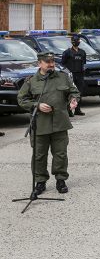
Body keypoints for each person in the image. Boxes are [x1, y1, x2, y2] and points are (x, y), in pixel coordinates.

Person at [17, 52, 80, 195]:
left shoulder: (63, 77)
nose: (51, 64)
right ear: (39, 63)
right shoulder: (32, 81)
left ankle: (61, 179)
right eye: (47, 62)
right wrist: (36, 106)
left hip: (60, 122)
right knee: (39, 155)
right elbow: (21, 99)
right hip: (40, 124)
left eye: (53, 61)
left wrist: (73, 99)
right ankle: (40, 182)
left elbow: (73, 91)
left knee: (60, 154)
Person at [61, 35, 86, 116]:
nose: (77, 42)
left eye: (78, 40)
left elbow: (84, 64)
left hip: (80, 75)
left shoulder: (82, 52)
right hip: (71, 75)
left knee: (79, 93)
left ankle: (77, 110)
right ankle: (69, 110)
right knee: (70, 93)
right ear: (72, 42)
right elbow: (63, 64)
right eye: (75, 40)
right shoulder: (67, 52)